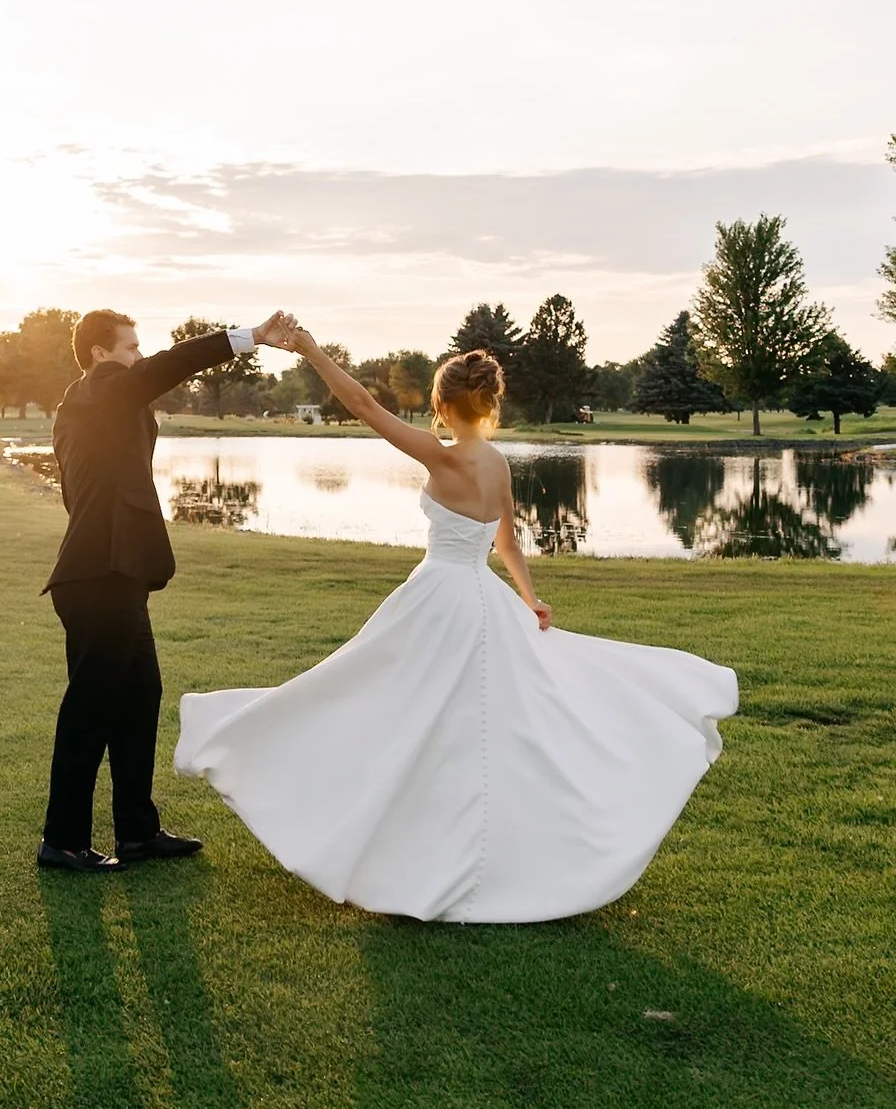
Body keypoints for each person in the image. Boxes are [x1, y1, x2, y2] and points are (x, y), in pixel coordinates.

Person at [175, 331, 738, 922]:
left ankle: (398, 841)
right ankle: (476, 857)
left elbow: (365, 407)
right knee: (487, 727)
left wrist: (312, 352)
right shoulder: (497, 464)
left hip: (436, 598)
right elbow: (507, 541)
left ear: (443, 405)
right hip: (482, 598)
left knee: (387, 703)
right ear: (490, 405)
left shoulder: (441, 455)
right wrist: (531, 598)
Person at [38, 307, 296, 874]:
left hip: (114, 573)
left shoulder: (87, 409)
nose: (138, 356)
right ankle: (62, 841)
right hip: (99, 578)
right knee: (90, 709)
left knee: (140, 698)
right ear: (103, 355)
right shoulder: (101, 390)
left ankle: (137, 830)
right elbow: (170, 366)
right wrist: (248, 337)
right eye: (130, 348)